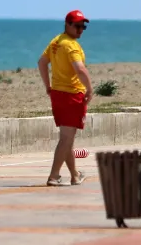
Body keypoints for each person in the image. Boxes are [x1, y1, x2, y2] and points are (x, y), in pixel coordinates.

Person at [37, 9, 93, 186]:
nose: (80, 30)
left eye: (83, 26)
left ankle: (75, 175)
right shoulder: (71, 45)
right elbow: (80, 69)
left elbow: (42, 62)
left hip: (58, 95)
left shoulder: (56, 41)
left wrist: (48, 85)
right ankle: (54, 175)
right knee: (67, 138)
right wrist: (89, 89)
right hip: (72, 95)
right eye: (77, 26)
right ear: (67, 25)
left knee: (67, 137)